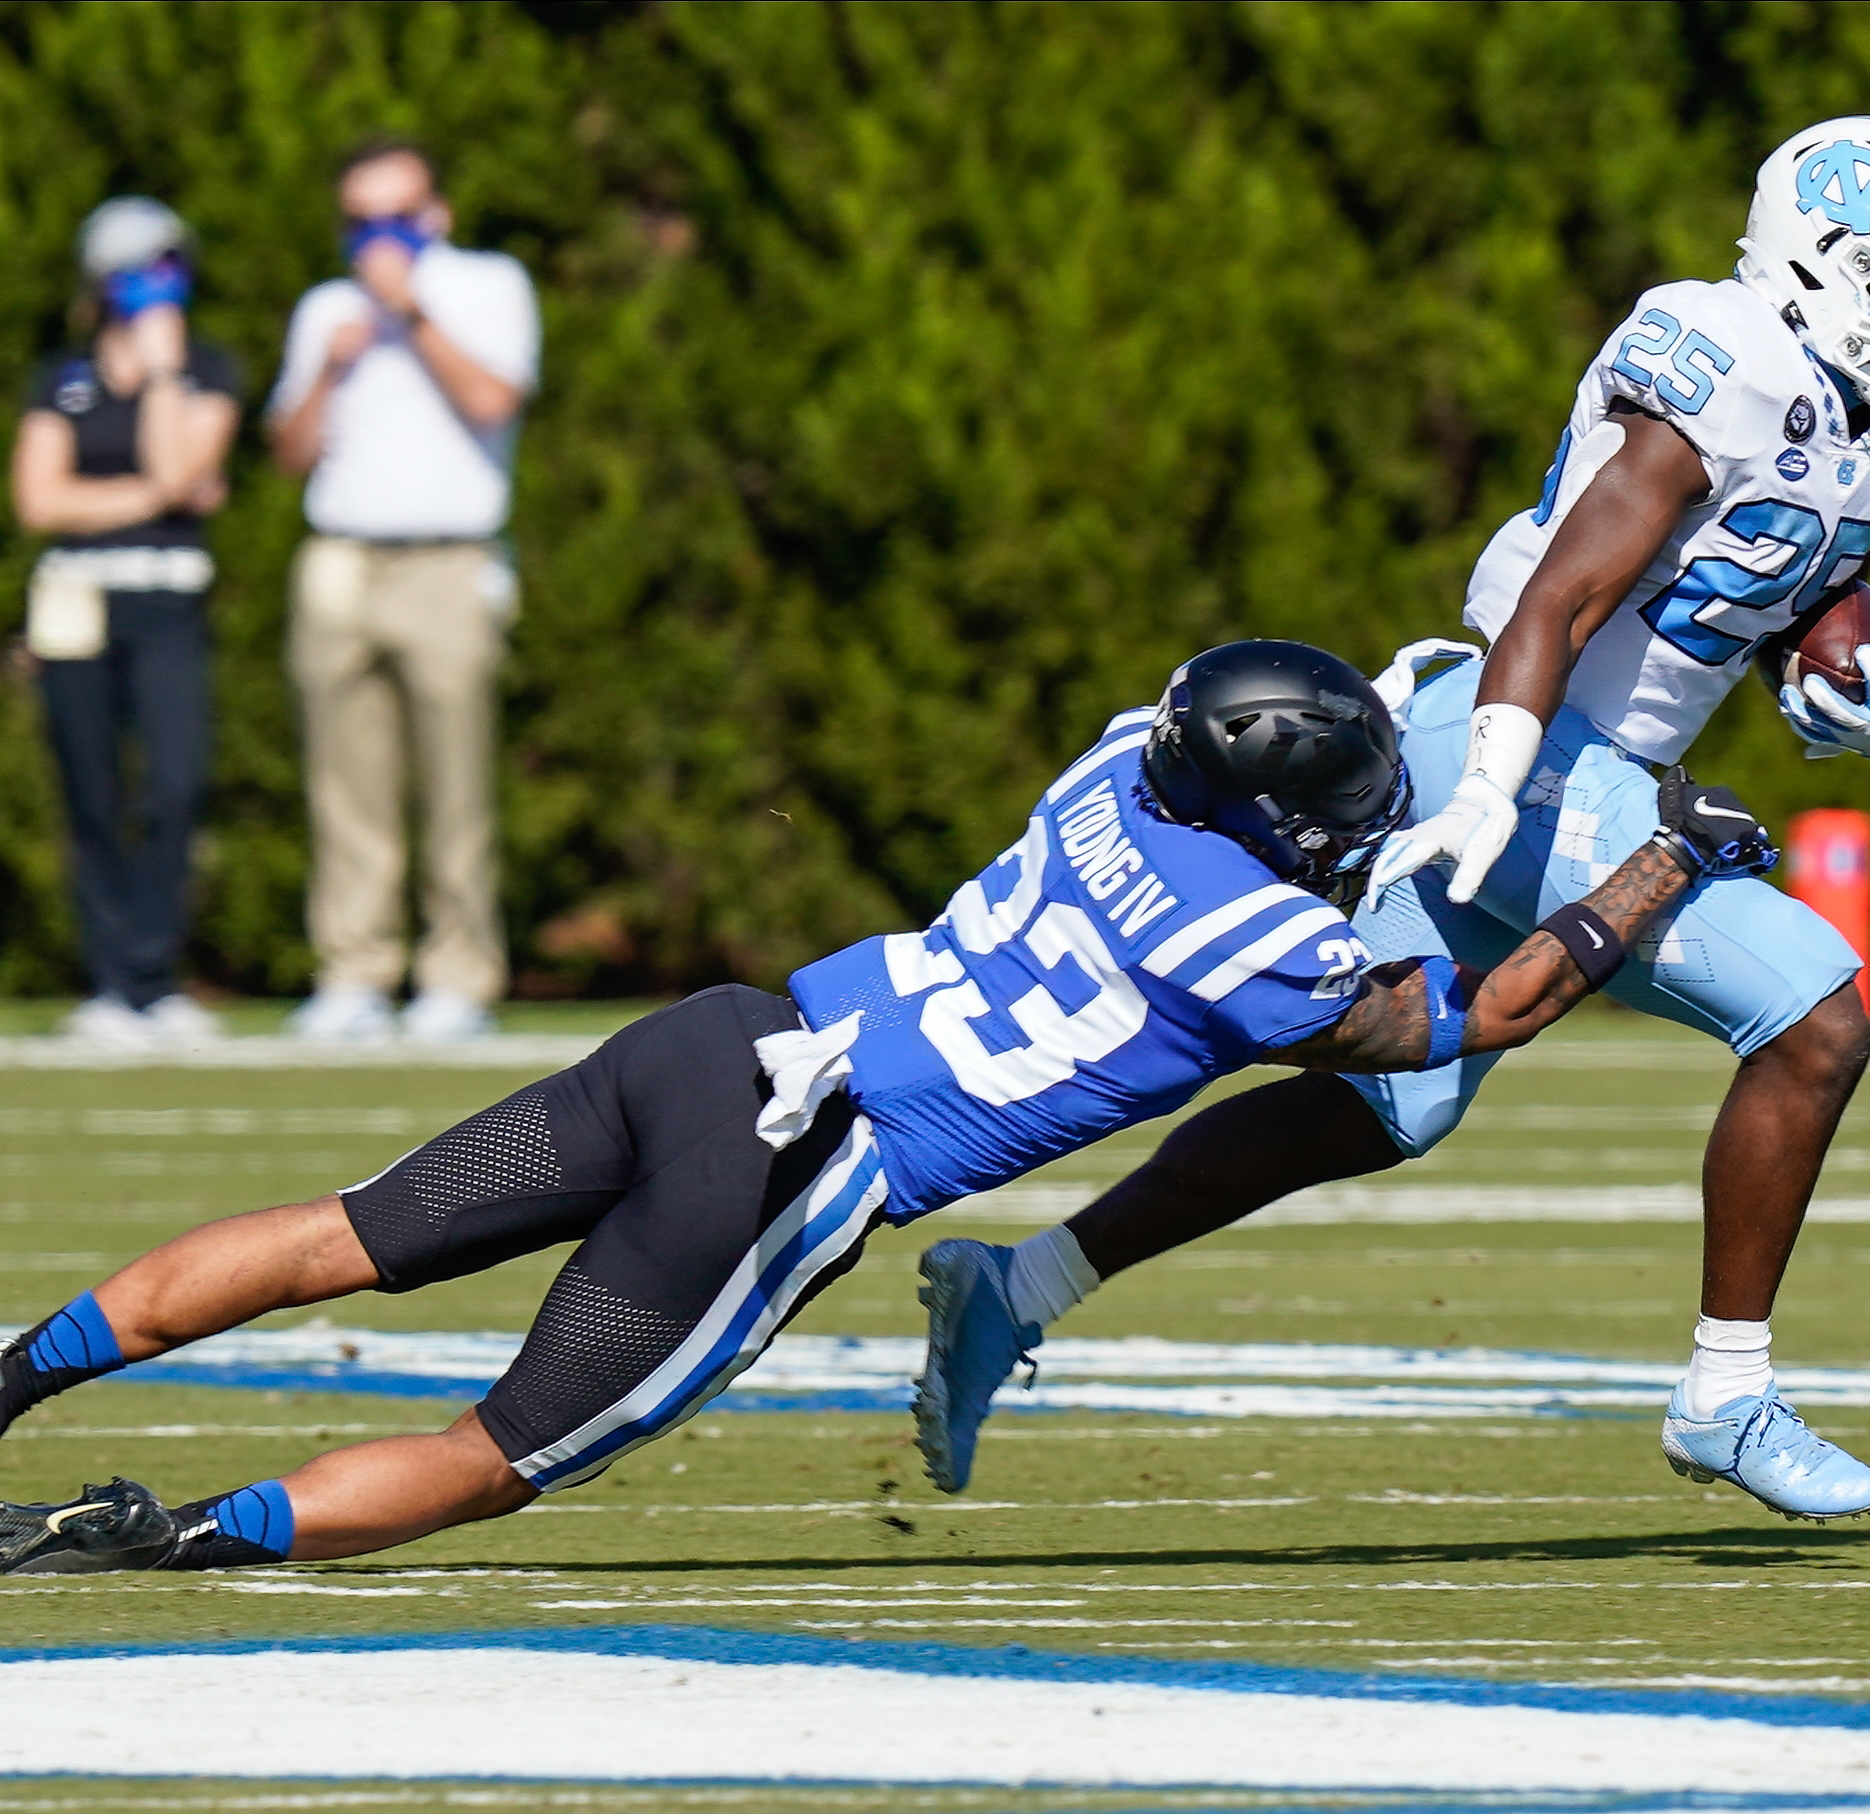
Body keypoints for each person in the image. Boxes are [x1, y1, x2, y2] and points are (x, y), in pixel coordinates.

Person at [0, 640, 1764, 1575]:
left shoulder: (1104, 770)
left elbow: (1203, 771)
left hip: (715, 1036)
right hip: (799, 1157)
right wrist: (1667, 865)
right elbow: (1483, 1008)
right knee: (496, 1455)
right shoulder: (1274, 946)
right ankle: (172, 1540)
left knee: (335, 1235)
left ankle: (17, 1370)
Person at [919, 117, 1870, 1523]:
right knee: (1815, 1015)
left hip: (1570, 758)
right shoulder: (1721, 356)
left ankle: (1014, 1288)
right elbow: (1561, 592)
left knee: (1389, 1092)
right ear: (1817, 265)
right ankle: (1726, 1392)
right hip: (1519, 733)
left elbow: (1781, 578)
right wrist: (1494, 784)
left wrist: (1860, 665)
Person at [269, 139, 539, 1044]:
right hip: (340, 554)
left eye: (396, 216)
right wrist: (331, 367)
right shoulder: (325, 307)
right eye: (361, 219)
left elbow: (496, 401)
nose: (377, 236)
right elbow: (288, 451)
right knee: (345, 783)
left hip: (450, 561)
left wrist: (409, 314)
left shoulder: (489, 286)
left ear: (437, 214)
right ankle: (353, 971)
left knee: (455, 781)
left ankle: (457, 976)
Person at [11, 198, 241, 1046]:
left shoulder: (206, 371)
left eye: (168, 270)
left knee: (176, 783)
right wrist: (156, 494)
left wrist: (162, 376)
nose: (156, 289)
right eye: (139, 274)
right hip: (75, 599)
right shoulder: (61, 377)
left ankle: (156, 977)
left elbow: (185, 468)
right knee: (91, 790)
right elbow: (40, 500)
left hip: (166, 594)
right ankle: (111, 984)